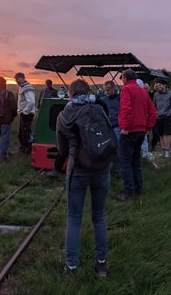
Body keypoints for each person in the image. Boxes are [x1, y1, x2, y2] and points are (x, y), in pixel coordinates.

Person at [56, 79, 113, 277]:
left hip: (78, 170)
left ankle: (71, 267)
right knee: (99, 216)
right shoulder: (98, 109)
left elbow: (62, 149)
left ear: (70, 94)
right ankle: (101, 264)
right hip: (101, 168)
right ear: (88, 93)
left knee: (74, 219)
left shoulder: (64, 116)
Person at [117, 69, 156, 201]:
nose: (122, 80)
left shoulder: (126, 89)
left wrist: (125, 127)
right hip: (140, 131)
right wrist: (147, 127)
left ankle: (128, 192)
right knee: (135, 161)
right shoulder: (142, 91)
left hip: (129, 131)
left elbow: (126, 109)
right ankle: (138, 189)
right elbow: (152, 111)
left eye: (122, 78)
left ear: (125, 78)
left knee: (125, 162)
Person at [99, 80, 121, 176]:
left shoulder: (120, 99)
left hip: (117, 127)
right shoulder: (103, 100)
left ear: (113, 89)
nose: (106, 92)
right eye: (104, 90)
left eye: (107, 90)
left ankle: (118, 170)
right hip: (106, 127)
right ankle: (106, 170)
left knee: (117, 149)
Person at [153, 79, 171, 158]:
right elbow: (154, 105)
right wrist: (155, 114)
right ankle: (163, 150)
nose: (158, 87)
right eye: (157, 85)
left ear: (164, 85)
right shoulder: (156, 94)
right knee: (160, 134)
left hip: (167, 117)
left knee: (167, 134)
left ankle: (167, 150)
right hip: (158, 117)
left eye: (160, 85)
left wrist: (168, 114)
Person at [14, 72, 36, 154]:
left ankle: (27, 150)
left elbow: (31, 102)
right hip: (24, 114)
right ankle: (24, 148)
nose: (16, 80)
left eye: (17, 78)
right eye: (15, 79)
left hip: (27, 114)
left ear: (22, 78)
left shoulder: (27, 87)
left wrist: (25, 112)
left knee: (26, 133)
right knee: (22, 133)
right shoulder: (22, 87)